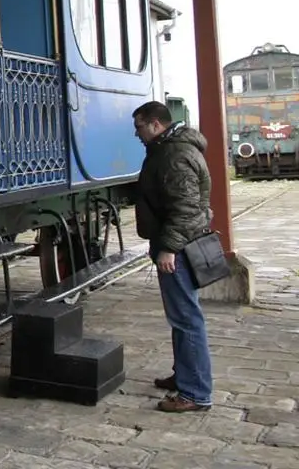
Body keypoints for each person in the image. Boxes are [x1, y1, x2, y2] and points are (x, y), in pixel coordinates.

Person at [131, 100, 214, 413]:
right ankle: (185, 377)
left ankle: (195, 394)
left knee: (186, 320)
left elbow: (186, 207)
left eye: (139, 127)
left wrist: (168, 248)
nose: (136, 134)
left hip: (178, 248)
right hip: (181, 243)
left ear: (155, 124)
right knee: (182, 318)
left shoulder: (174, 154)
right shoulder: (170, 149)